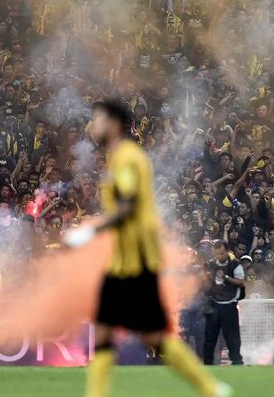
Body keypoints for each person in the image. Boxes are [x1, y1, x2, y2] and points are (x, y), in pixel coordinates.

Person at [64, 100, 232, 397]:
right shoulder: (117, 156)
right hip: (121, 263)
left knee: (155, 336)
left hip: (138, 262)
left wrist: (90, 230)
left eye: (98, 119)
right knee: (103, 331)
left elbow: (128, 206)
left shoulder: (128, 157)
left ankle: (211, 389)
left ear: (114, 123)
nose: (93, 125)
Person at [203, 240, 245, 365]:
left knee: (232, 337)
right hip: (214, 304)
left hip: (229, 305)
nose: (219, 256)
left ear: (227, 251)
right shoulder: (210, 265)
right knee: (210, 338)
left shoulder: (235, 265)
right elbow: (205, 282)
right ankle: (208, 363)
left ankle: (237, 361)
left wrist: (226, 278)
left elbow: (240, 282)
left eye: (221, 253)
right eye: (217, 254)